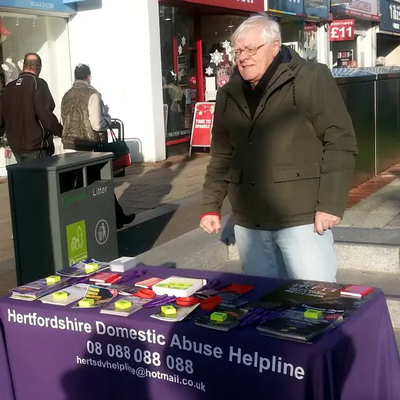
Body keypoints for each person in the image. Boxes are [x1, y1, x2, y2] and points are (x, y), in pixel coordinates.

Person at [199, 15, 358, 282]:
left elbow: (339, 140)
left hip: (302, 220)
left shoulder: (311, 77)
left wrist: (330, 204)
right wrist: (209, 205)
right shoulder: (228, 94)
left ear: (275, 46)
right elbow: (223, 155)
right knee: (264, 304)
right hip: (250, 222)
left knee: (314, 304)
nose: (243, 57)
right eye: (238, 50)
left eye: (251, 49)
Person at [61, 64, 135, 229]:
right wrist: (107, 118)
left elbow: (63, 121)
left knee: (77, 185)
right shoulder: (92, 94)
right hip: (87, 146)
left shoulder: (66, 95)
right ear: (88, 77)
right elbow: (97, 124)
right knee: (101, 182)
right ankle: (112, 219)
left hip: (68, 146)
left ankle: (114, 218)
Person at [0, 53, 62, 162]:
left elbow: (1, 117)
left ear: (24, 65)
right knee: (43, 179)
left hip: (17, 147)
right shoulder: (38, 84)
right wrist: (60, 131)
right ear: (39, 67)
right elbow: (45, 114)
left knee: (26, 178)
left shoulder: (9, 88)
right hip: (36, 146)